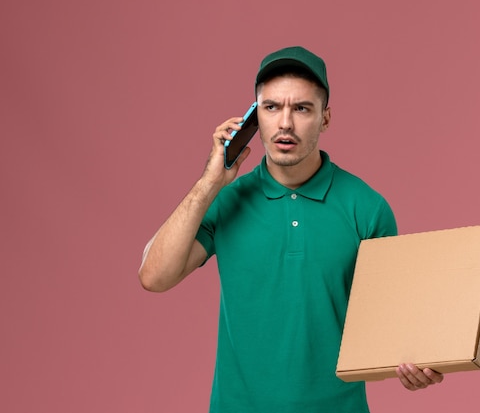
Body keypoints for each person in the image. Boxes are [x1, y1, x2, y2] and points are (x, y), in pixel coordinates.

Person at [139, 46, 443, 412]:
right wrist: (210, 181)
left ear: (325, 119)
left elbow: (397, 324)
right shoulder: (225, 200)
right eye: (271, 107)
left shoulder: (367, 208)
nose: (285, 123)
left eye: (301, 108)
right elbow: (154, 276)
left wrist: (418, 362)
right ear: (254, 118)